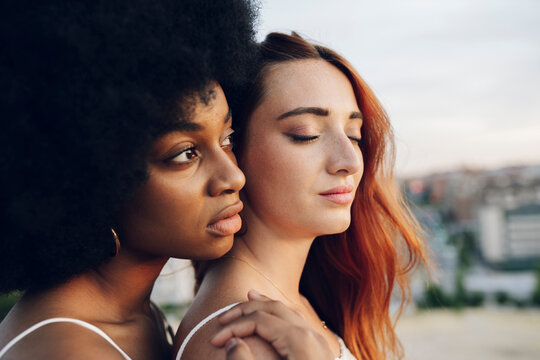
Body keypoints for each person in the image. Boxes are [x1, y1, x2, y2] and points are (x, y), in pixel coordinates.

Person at [0, 1, 255, 358]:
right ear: (94, 176)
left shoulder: (138, 315)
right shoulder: (67, 350)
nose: (233, 176)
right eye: (185, 153)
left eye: (227, 138)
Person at [175, 32, 430, 360]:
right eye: (306, 134)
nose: (350, 161)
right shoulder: (245, 340)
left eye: (353, 136)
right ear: (231, 151)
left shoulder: (287, 307)